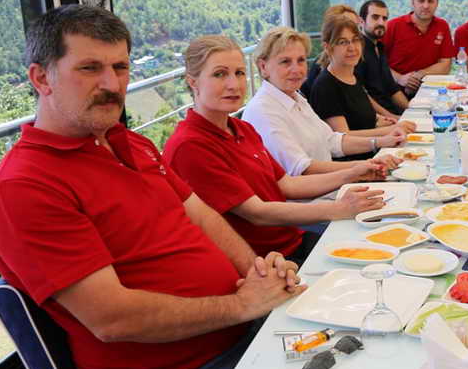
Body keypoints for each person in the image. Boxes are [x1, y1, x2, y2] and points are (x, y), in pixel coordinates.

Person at [0, 5, 302, 369]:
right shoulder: (26, 187)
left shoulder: (131, 143)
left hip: (234, 338)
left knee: (358, 362)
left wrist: (259, 272)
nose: (111, 84)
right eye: (89, 68)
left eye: (120, 67)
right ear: (41, 77)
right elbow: (112, 319)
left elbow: (203, 218)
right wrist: (240, 305)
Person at [165, 35, 388, 260]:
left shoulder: (242, 128)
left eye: (239, 73)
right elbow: (257, 213)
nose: (234, 85)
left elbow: (286, 185)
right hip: (267, 260)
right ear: (193, 82)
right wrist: (339, 208)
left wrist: (353, 173)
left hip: (291, 240)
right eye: (220, 74)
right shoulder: (190, 145)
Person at [242, 27, 405, 177]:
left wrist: (380, 141)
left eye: (301, 60)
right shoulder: (263, 111)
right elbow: (303, 168)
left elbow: (331, 140)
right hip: (314, 195)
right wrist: (364, 166)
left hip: (332, 185)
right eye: (285, 62)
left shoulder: (296, 98)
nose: (296, 69)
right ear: (263, 67)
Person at [310, 13, 415, 156]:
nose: (352, 47)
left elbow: (358, 115)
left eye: (355, 40)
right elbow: (343, 137)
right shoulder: (325, 86)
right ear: (328, 48)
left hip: (375, 151)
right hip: (356, 162)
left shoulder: (352, 75)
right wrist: (389, 130)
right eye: (343, 42)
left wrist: (379, 119)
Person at [383, 0, 455, 94]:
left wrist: (419, 75)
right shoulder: (393, 26)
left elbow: (445, 65)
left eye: (430, 1)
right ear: (412, 3)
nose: (426, 6)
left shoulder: (442, 26)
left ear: (437, 3)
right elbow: (377, 62)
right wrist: (400, 78)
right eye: (421, 0)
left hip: (431, 91)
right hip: (395, 90)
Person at [355, 0, 410, 115]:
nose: (381, 22)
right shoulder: (356, 52)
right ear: (361, 21)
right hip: (376, 118)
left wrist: (412, 110)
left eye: (384, 18)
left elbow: (392, 89)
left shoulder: (380, 47)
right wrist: (392, 118)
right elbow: (361, 95)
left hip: (392, 112)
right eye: (375, 17)